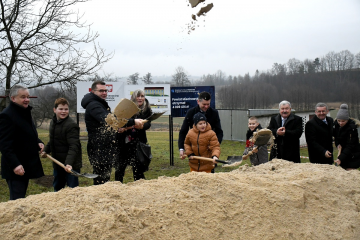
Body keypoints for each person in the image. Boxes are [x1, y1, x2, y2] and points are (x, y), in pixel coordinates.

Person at [81, 81, 143, 185]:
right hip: (99, 148)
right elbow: (110, 120)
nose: (104, 93)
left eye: (106, 90)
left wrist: (117, 128)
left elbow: (108, 124)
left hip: (103, 147)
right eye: (101, 91)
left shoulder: (99, 103)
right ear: (93, 91)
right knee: (101, 180)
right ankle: (100, 199)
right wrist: (133, 121)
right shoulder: (94, 105)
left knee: (105, 178)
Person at [0, 85, 44, 200]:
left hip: (26, 164)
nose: (27, 99)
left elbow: (26, 133)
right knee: (16, 200)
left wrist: (37, 142)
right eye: (23, 97)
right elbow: (5, 144)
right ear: (13, 98)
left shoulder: (24, 111)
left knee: (21, 198)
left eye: (28, 97)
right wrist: (15, 164)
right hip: (15, 167)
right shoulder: (7, 115)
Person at [41, 98, 82, 191]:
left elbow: (74, 146)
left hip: (70, 165)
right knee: (58, 188)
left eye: (66, 109)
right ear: (54, 110)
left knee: (73, 190)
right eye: (61, 109)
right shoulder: (53, 122)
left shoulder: (71, 125)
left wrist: (69, 163)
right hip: (57, 162)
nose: (63, 111)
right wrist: (46, 150)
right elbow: (53, 140)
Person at [115, 89, 152, 183]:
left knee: (138, 169)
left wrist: (140, 125)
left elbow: (148, 124)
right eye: (138, 96)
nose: (140, 98)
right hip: (124, 142)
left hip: (139, 143)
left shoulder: (147, 109)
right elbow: (120, 122)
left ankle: (139, 188)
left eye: (142, 96)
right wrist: (131, 126)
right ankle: (117, 187)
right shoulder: (126, 108)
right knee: (120, 168)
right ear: (133, 98)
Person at [178, 91, 223, 160]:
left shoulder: (214, 113)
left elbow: (219, 131)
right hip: (195, 154)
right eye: (204, 104)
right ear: (198, 101)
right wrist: (181, 148)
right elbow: (183, 131)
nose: (206, 106)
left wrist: (214, 146)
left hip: (209, 154)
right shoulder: (191, 112)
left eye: (208, 104)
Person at [333, 104, 360, 170]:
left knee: (351, 173)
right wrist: (338, 144)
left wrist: (340, 158)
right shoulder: (336, 126)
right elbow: (336, 138)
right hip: (343, 154)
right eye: (339, 120)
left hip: (352, 155)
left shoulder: (352, 129)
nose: (340, 123)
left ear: (347, 120)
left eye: (343, 121)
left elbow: (350, 145)